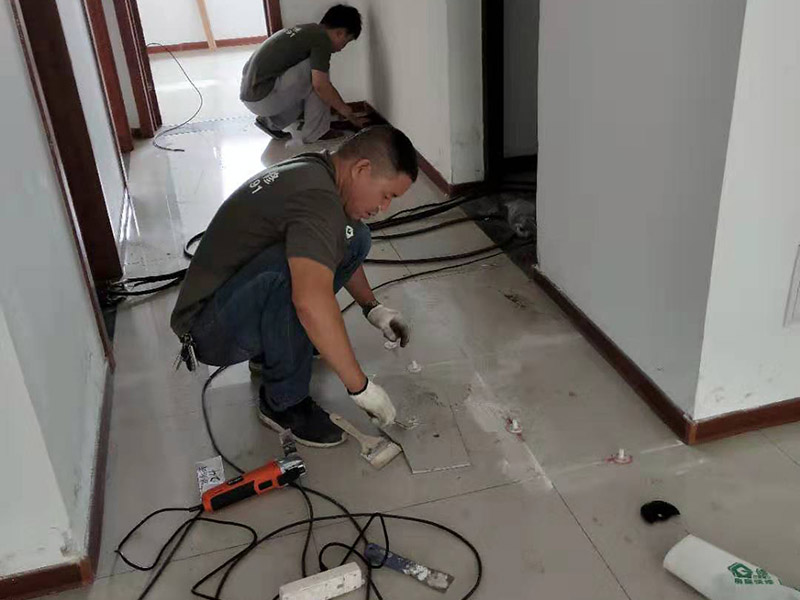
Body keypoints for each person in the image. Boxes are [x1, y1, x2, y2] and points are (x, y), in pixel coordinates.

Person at [170, 126, 419, 447]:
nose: (384, 207)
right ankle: (284, 403)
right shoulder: (316, 199)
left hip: (234, 301)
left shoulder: (320, 170)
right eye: (387, 195)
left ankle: (276, 348)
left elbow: (340, 243)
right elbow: (309, 301)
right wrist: (360, 387)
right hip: (209, 331)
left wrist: (374, 308)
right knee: (295, 279)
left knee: (356, 237)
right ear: (361, 169)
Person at [240, 4, 367, 143]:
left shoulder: (307, 31)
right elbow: (321, 86)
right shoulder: (322, 40)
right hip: (262, 97)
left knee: (312, 84)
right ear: (340, 33)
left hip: (252, 95)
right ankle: (317, 133)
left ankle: (271, 123)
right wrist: (349, 114)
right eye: (345, 42)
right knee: (318, 79)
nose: (342, 48)